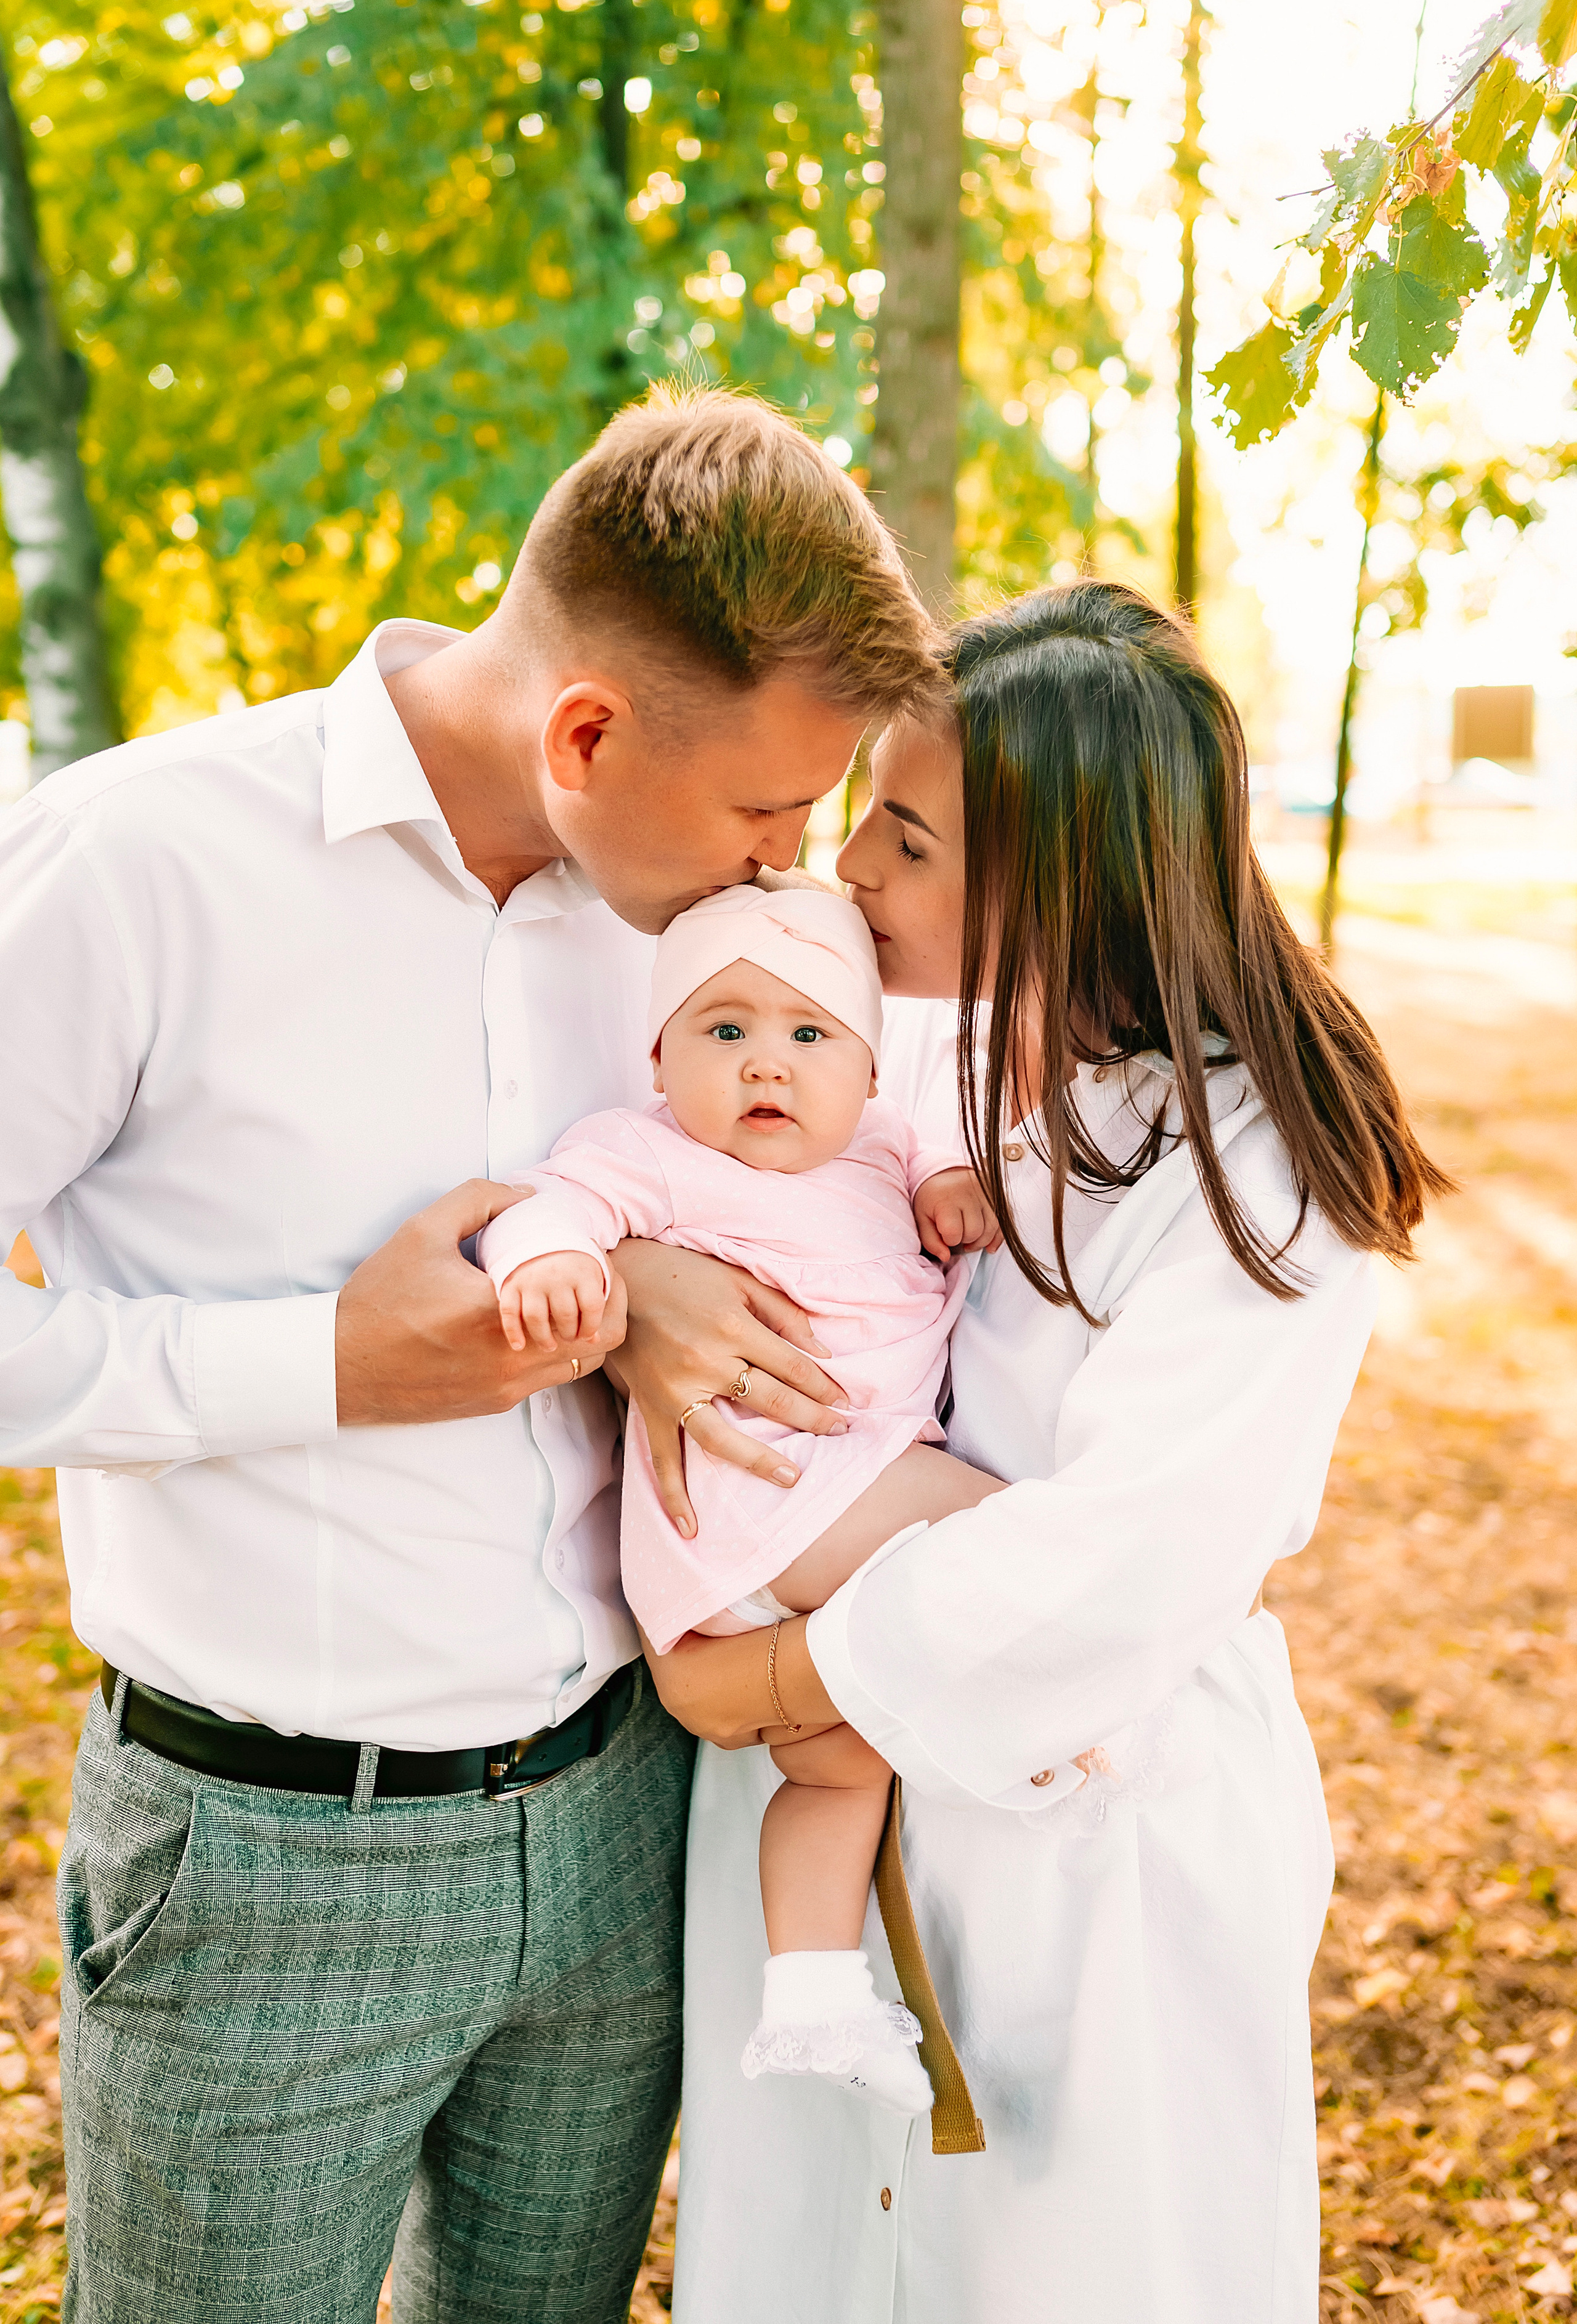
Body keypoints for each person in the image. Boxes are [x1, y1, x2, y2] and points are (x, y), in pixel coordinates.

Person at [0, 384, 941, 2324]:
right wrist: (320, 1365)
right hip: (266, 1859)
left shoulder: (687, 927)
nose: (806, 865)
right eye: (772, 808)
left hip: (621, 1824)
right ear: (585, 733)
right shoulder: (138, 864)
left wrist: (658, 1296)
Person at [626, 580, 1449, 2324]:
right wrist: (634, 1284)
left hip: (1084, 1836)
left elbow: (1130, 1558)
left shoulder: (1263, 1177)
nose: (854, 869)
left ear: (1061, 876)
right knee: (827, 2261)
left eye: (907, 840)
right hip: (854, 1809)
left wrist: (770, 1676)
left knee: (1077, 2271)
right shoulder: (966, 1062)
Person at [476, 883, 1003, 2116]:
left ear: (868, 1067)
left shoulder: (884, 1142)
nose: (765, 1062)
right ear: (659, 1057)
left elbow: (933, 1149)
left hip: (789, 1526)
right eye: (723, 1032)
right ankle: (1079, 1713)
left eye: (808, 1035)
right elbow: (553, 1204)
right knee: (1007, 1539)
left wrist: (952, 1182)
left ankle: (811, 1998)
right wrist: (555, 1257)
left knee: (837, 1773)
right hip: (782, 1492)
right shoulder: (648, 1149)